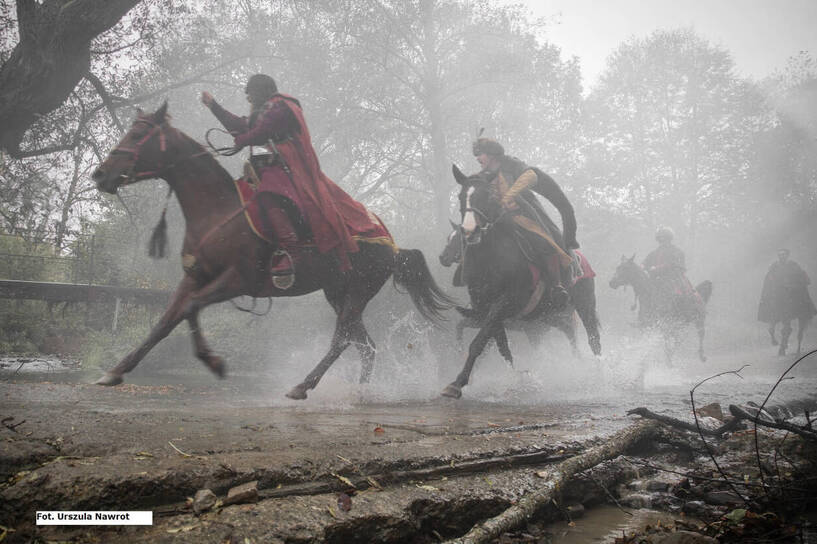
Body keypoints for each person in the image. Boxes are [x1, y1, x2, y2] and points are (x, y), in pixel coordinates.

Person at [201, 74, 385, 288]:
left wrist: (242, 140)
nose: (247, 97)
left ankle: (292, 251)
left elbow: (261, 132)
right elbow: (241, 125)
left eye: (250, 92)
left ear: (262, 90)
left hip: (292, 168)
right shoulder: (264, 111)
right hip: (273, 167)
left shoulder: (282, 106)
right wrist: (213, 106)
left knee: (269, 193)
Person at [471, 137, 578, 308]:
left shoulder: (511, 164)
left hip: (521, 217)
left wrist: (509, 195)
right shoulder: (483, 176)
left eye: (480, 154)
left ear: (491, 155)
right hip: (497, 222)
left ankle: (557, 286)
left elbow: (530, 175)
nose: (477, 159)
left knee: (544, 244)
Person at [758, 248, 817, 327]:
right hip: (778, 290)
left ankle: (801, 314)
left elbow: (800, 274)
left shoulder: (793, 265)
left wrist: (795, 283)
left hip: (791, 290)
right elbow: (769, 277)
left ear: (787, 255)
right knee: (771, 301)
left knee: (800, 299)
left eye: (784, 254)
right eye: (780, 255)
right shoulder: (775, 265)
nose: (782, 256)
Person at [642, 227, 697, 311]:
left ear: (669, 238)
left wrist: (657, 268)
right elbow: (645, 262)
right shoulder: (654, 252)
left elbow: (675, 265)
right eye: (660, 238)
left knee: (680, 294)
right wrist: (642, 266)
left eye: (663, 238)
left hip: (673, 278)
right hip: (655, 278)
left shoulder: (677, 251)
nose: (662, 240)